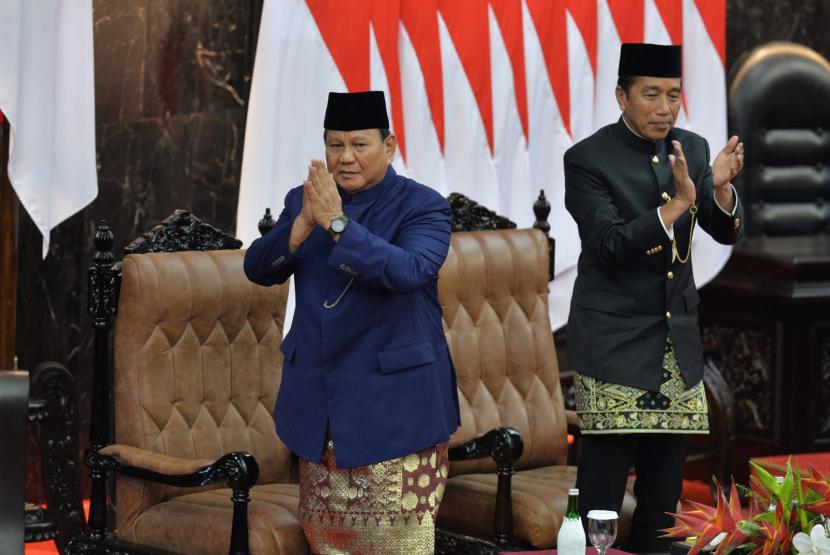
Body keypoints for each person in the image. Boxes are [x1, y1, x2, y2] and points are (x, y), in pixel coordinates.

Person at [243, 91, 460, 554]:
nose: (345, 158)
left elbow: (408, 271)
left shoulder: (423, 206)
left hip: (396, 414)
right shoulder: (305, 200)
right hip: (323, 411)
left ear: (390, 145)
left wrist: (338, 224)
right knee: (331, 546)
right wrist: (302, 224)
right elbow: (258, 268)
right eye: (334, 145)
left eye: (359, 145)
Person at [564, 43, 745, 553]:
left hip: (675, 348)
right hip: (614, 346)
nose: (665, 108)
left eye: (674, 95)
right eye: (651, 95)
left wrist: (721, 191)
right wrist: (679, 206)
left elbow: (723, 229)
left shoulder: (693, 145)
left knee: (665, 505)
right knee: (600, 503)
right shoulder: (587, 159)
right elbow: (609, 244)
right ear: (622, 96)